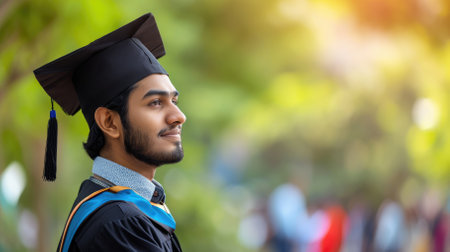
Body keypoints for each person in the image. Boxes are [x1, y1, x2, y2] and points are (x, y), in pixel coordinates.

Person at [33, 13, 185, 251]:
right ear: (109, 122)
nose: (178, 116)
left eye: (174, 101)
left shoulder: (130, 210)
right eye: (155, 102)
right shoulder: (119, 225)